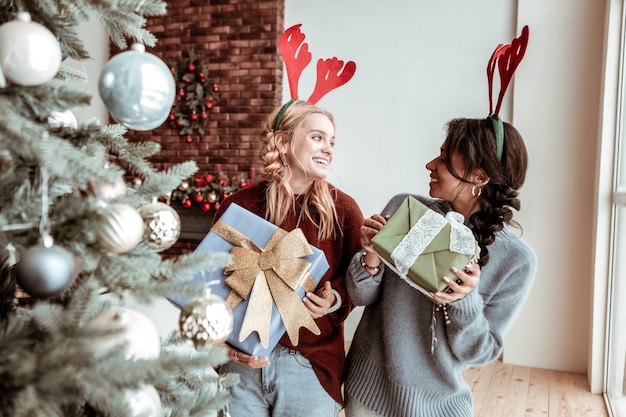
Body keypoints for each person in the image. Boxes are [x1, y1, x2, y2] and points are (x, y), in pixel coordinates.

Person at [343, 116, 537, 417]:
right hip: (368, 393)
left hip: (439, 406)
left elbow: (480, 352)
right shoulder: (404, 209)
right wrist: (371, 253)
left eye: (445, 158)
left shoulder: (516, 261)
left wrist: (464, 300)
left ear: (480, 177)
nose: (431, 164)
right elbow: (360, 295)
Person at [215, 99, 364, 417]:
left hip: (309, 366)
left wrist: (334, 298)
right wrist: (219, 343)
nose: (328, 149)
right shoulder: (239, 206)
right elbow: (211, 283)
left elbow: (359, 281)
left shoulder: (343, 211)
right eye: (317, 137)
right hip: (241, 364)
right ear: (282, 141)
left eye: (332, 141)